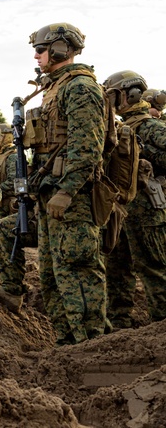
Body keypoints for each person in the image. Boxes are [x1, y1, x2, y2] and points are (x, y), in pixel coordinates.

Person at [23, 22, 106, 345]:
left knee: (77, 267)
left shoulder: (80, 87)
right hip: (51, 192)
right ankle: (67, 339)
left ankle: (90, 342)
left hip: (72, 198)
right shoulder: (54, 88)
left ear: (61, 49)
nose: (36, 56)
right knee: (51, 271)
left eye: (41, 50)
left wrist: (67, 191)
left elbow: (88, 148)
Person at [102, 70, 166, 327]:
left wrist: (142, 154)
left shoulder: (149, 126)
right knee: (116, 271)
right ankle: (120, 326)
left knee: (153, 268)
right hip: (122, 210)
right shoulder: (119, 127)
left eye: (114, 96)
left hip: (147, 210)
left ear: (130, 94)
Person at [0, 123, 37, 312]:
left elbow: (17, 184)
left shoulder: (14, 156)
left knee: (5, 233)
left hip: (8, 207)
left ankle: (13, 287)